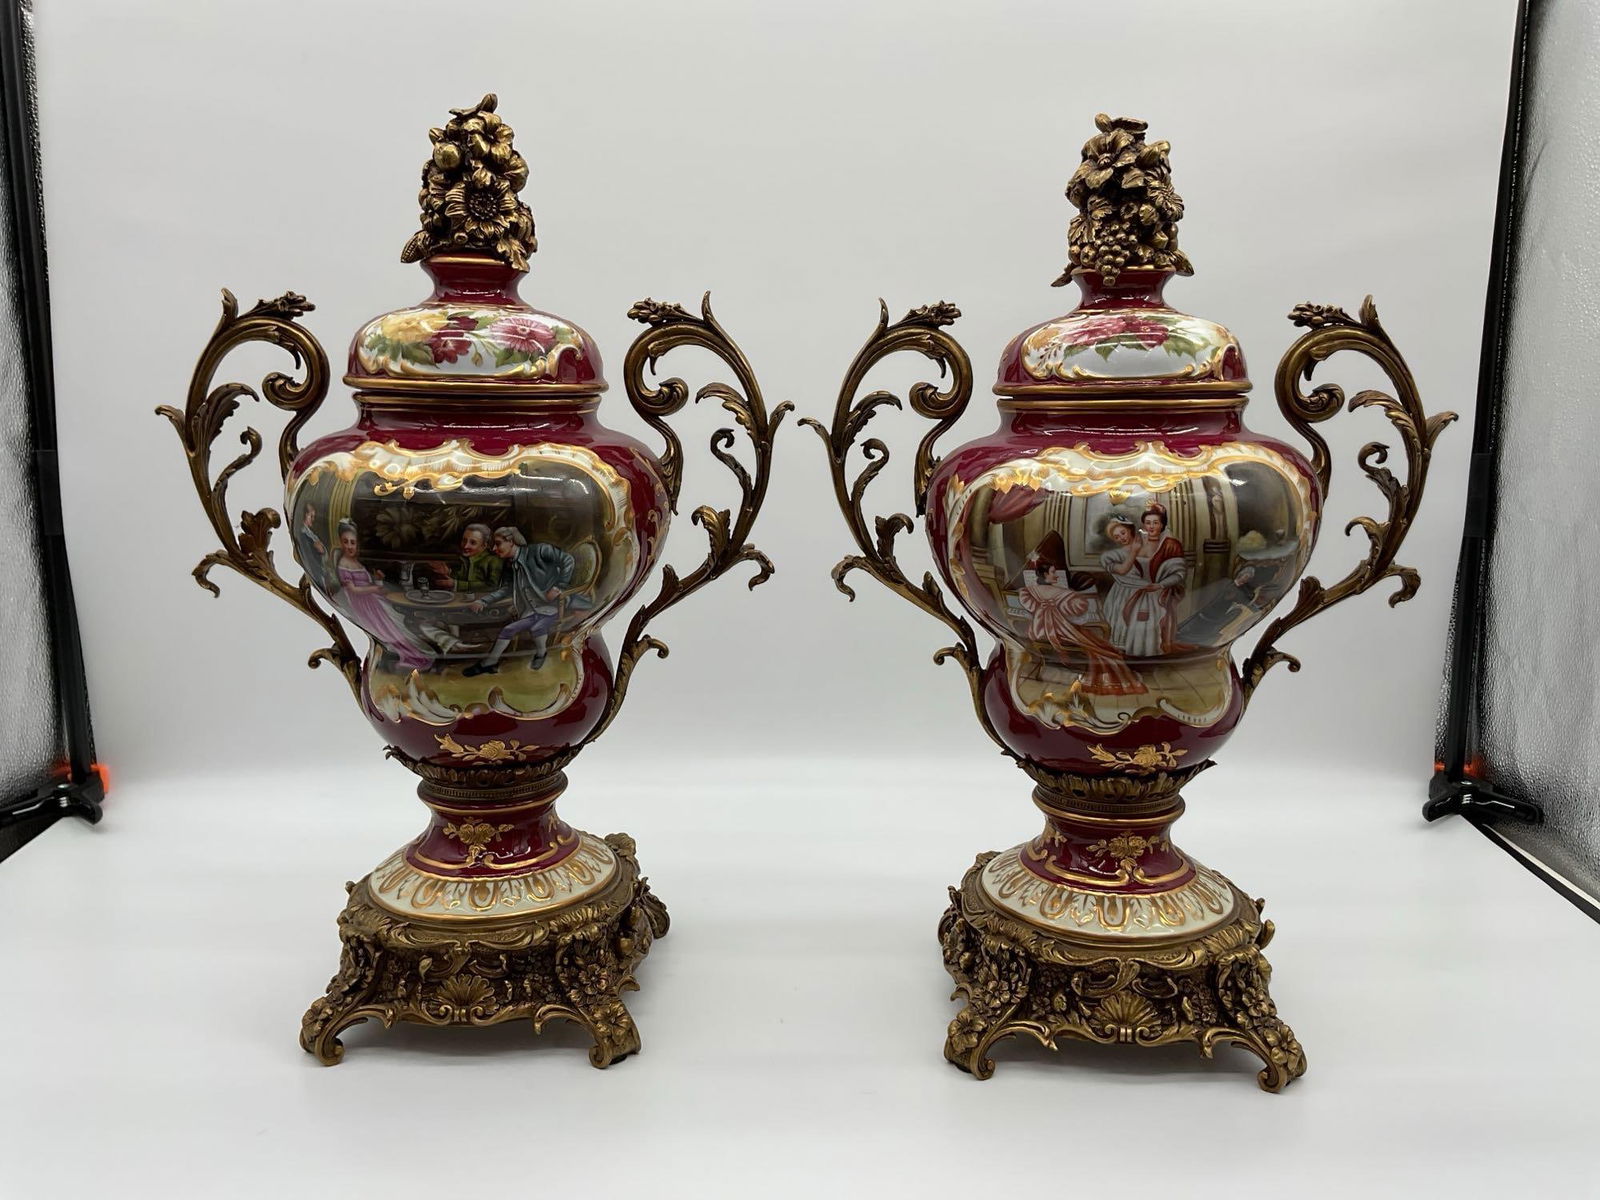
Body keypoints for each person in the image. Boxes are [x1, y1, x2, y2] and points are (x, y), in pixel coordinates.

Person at [1019, 549, 1145, 695]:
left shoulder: (1028, 592)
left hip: (1039, 630)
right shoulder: (1065, 593)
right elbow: (1079, 609)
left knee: (1097, 644)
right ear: (1045, 575)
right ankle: (1109, 680)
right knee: (1103, 650)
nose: (1056, 575)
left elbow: (1030, 606)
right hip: (1063, 632)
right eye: (1053, 572)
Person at [463, 527, 579, 675]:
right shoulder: (510, 565)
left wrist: (559, 586)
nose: (494, 548)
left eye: (498, 543)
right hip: (531, 611)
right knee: (508, 630)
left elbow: (567, 560)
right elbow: (505, 589)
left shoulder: (539, 551)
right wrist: (483, 601)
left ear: (511, 541)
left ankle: (541, 654)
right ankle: (490, 663)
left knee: (537, 627)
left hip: (555, 607)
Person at [333, 519, 432, 671]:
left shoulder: (356, 562)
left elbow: (365, 582)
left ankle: (413, 654)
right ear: (341, 542)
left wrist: (377, 579)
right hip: (363, 604)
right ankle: (406, 655)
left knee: (397, 620)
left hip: (371, 600)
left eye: (353, 542)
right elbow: (353, 590)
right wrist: (373, 589)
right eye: (346, 542)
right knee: (389, 626)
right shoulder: (343, 564)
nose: (349, 546)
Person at [1101, 504, 1188, 655]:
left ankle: (1150, 652)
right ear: (1143, 525)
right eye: (1148, 523)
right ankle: (1133, 653)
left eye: (1155, 522)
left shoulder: (1169, 545)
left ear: (1162, 524)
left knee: (1149, 622)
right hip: (1133, 592)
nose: (1151, 526)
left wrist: (1159, 585)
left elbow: (1178, 573)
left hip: (1156, 592)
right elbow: (1123, 570)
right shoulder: (1134, 546)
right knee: (1132, 620)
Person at [296, 502, 329, 591]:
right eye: (311, 516)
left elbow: (321, 548)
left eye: (314, 516)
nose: (313, 519)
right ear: (305, 515)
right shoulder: (304, 535)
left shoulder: (310, 533)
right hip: (317, 572)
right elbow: (310, 559)